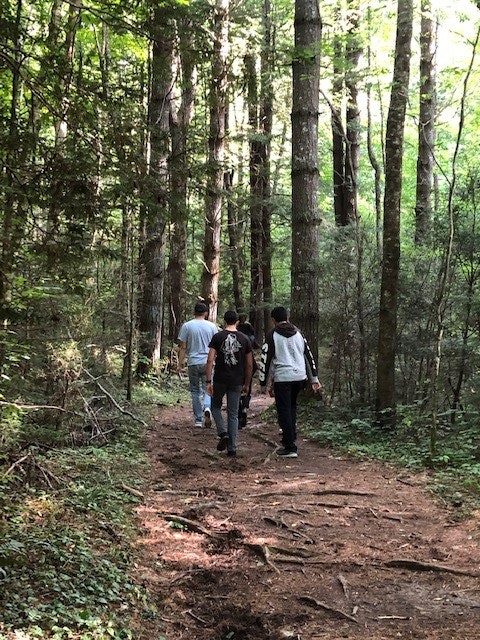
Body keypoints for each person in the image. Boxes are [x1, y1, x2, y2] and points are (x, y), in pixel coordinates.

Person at [259, 306, 321, 458]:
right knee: (292, 408)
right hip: (299, 377)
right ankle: (291, 437)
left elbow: (266, 359)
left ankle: (290, 446)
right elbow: (308, 355)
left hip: (283, 377)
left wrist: (263, 382)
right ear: (287, 317)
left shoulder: (272, 334)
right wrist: (314, 377)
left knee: (284, 410)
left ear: (273, 320)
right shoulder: (298, 333)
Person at [206, 310, 253, 457]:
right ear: (237, 322)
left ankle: (222, 432)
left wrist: (208, 381)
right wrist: (247, 383)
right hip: (237, 380)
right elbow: (249, 364)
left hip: (220, 378)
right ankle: (232, 448)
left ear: (224, 321)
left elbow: (210, 360)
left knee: (215, 406)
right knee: (233, 414)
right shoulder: (244, 338)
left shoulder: (217, 337)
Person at [177, 302, 218, 428]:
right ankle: (207, 407)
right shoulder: (212, 327)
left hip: (193, 362)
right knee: (208, 387)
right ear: (206, 313)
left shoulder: (187, 326)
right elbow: (216, 346)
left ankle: (198, 420)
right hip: (208, 362)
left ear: (194, 312)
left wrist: (180, 363)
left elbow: (183, 347)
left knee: (195, 391)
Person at [236, 320, 259, 429]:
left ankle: (239, 412)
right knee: (247, 388)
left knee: (236, 389)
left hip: (238, 366)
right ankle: (245, 408)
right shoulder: (251, 338)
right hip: (250, 366)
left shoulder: (237, 337)